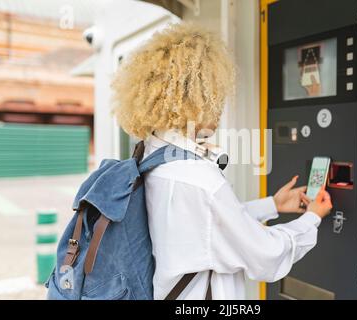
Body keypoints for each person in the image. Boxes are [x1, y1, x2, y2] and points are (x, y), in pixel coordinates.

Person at [111, 22, 333, 300]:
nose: (220, 108)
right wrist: (312, 218)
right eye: (215, 96)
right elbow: (264, 254)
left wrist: (272, 205)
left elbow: (203, 226)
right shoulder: (199, 178)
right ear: (195, 98)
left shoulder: (153, 155)